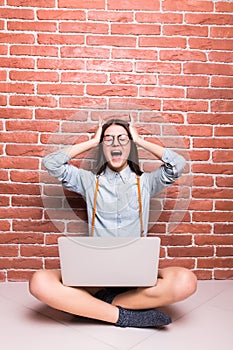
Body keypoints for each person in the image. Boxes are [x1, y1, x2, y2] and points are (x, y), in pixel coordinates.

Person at [29, 118, 197, 328]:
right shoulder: (89, 181)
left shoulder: (145, 182)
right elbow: (51, 163)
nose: (115, 144)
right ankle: (127, 315)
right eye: (108, 139)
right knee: (39, 282)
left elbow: (178, 165)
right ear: (102, 146)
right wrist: (92, 141)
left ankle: (94, 308)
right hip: (95, 277)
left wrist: (140, 140)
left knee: (186, 281)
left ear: (130, 146)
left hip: (136, 277)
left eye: (122, 139)